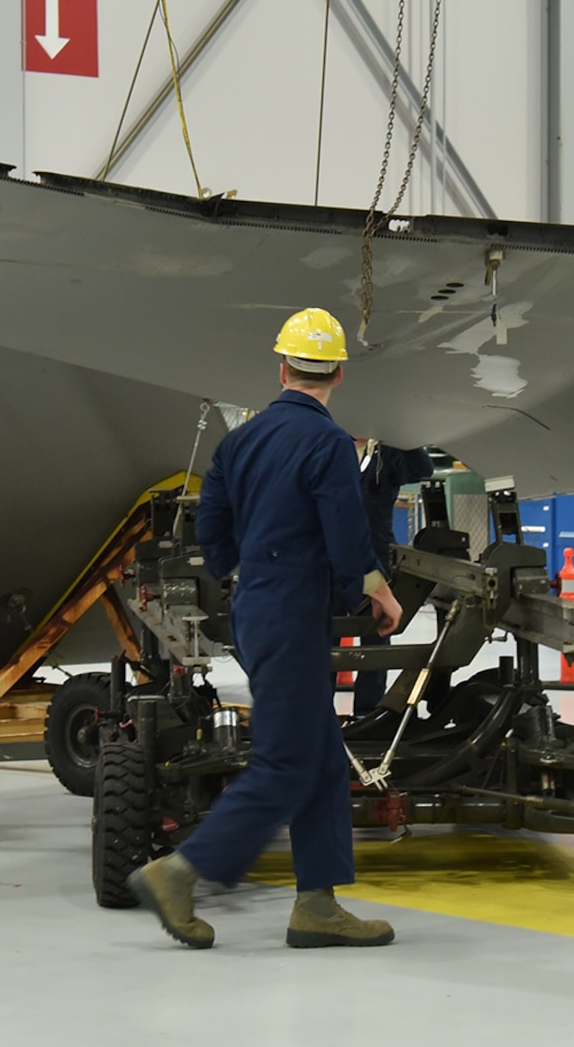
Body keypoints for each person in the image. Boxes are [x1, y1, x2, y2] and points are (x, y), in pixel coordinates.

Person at [128, 307, 407, 949]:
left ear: (282, 369)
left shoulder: (240, 441)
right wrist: (375, 591)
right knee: (286, 761)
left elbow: (213, 531)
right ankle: (181, 872)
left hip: (257, 606)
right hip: (291, 612)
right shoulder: (329, 443)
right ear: (337, 373)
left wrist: (247, 573)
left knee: (318, 759)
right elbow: (346, 531)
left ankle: (317, 902)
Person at [349, 440, 435, 718]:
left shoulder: (386, 452)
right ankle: (320, 715)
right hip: (331, 565)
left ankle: (367, 712)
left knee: (375, 640)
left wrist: (401, 435)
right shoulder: (332, 447)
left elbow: (422, 469)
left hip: (375, 564)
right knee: (325, 640)